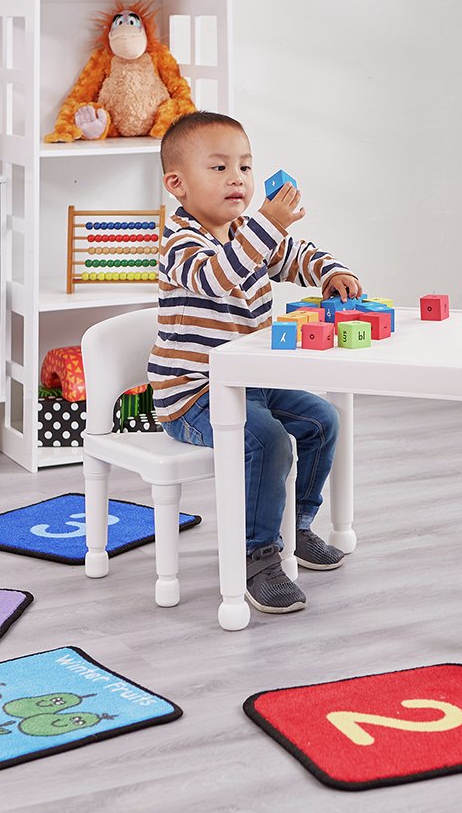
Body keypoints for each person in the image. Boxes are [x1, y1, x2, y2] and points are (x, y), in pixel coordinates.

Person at [148, 111, 362, 614]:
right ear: (177, 185)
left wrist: (330, 272)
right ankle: (257, 556)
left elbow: (295, 254)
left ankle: (297, 525)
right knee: (264, 441)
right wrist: (268, 224)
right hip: (193, 394)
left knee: (323, 420)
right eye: (219, 168)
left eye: (244, 167)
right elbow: (220, 276)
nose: (238, 179)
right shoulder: (180, 244)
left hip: (250, 382)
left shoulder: (248, 232)